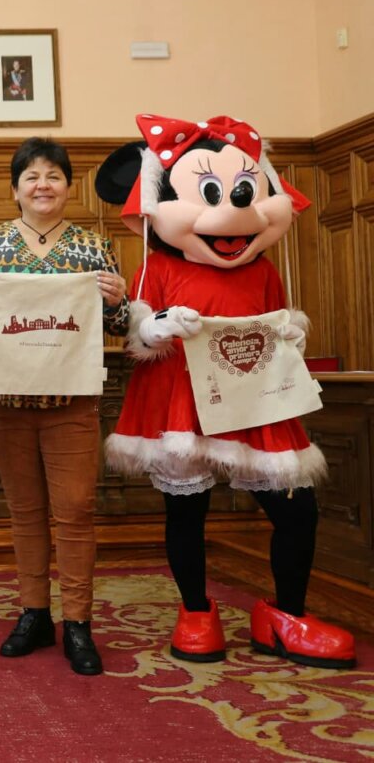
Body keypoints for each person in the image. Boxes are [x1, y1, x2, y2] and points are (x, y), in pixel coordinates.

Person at [98, 114, 355, 670]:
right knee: (187, 510)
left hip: (255, 397)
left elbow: (280, 318)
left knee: (296, 510)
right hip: (180, 399)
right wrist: (157, 327)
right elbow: (138, 331)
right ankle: (196, 612)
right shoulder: (157, 265)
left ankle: (285, 615)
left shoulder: (263, 269)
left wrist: (292, 328)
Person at [0, 137, 128, 676]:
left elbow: (117, 328)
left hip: (72, 401)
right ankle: (34, 613)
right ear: (15, 189)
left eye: (53, 175)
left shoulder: (93, 248)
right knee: (25, 514)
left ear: (68, 187)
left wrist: (119, 304)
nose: (42, 185)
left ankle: (78, 622)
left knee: (75, 513)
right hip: (5, 401)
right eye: (32, 177)